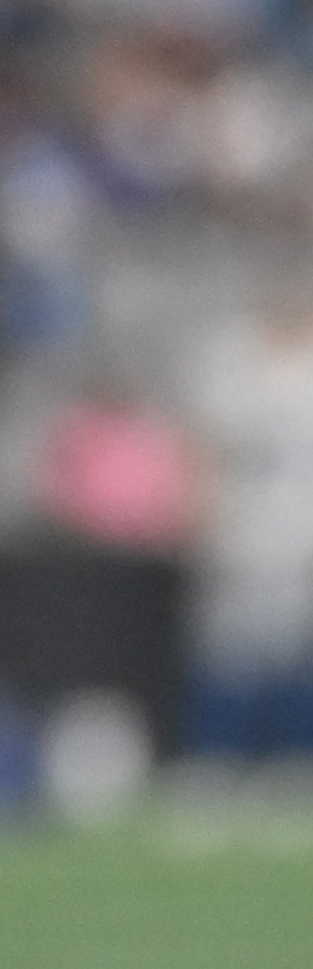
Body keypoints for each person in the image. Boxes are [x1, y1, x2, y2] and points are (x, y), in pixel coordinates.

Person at [179, 277, 313, 787]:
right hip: (243, 524)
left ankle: (296, 761)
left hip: (303, 526)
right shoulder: (231, 354)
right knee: (229, 652)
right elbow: (204, 445)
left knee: (298, 652)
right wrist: (202, 512)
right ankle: (216, 758)